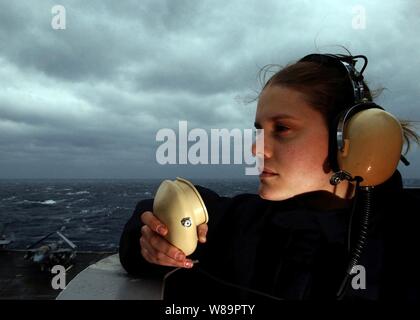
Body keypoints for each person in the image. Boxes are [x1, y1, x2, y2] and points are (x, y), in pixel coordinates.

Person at [119, 52, 420, 301]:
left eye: (282, 129)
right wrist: (151, 242)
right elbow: (144, 226)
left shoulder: (407, 233)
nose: (257, 149)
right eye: (260, 130)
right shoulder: (245, 221)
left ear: (351, 138)